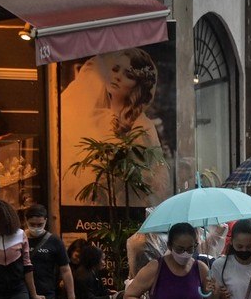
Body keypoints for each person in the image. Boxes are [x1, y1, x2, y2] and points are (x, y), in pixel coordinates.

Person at [61, 48, 171, 207]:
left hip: (124, 206)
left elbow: (149, 177)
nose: (117, 77)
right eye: (115, 69)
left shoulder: (141, 125)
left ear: (137, 85)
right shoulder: (95, 116)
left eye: (128, 75)